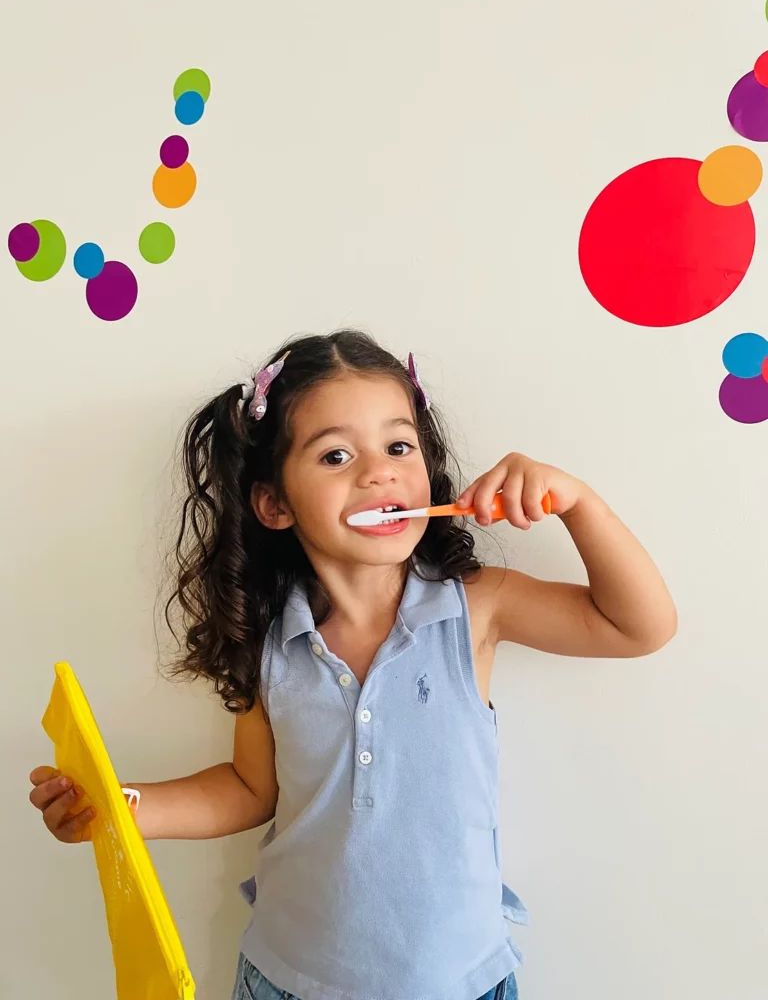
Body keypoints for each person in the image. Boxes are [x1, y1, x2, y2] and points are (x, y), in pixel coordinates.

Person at [29, 330, 677, 1000]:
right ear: (274, 504)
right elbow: (252, 790)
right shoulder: (269, 639)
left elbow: (638, 626)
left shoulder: (477, 607)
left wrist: (578, 504)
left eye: (399, 446)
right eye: (336, 455)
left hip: (458, 983)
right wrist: (123, 809)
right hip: (289, 981)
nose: (378, 471)